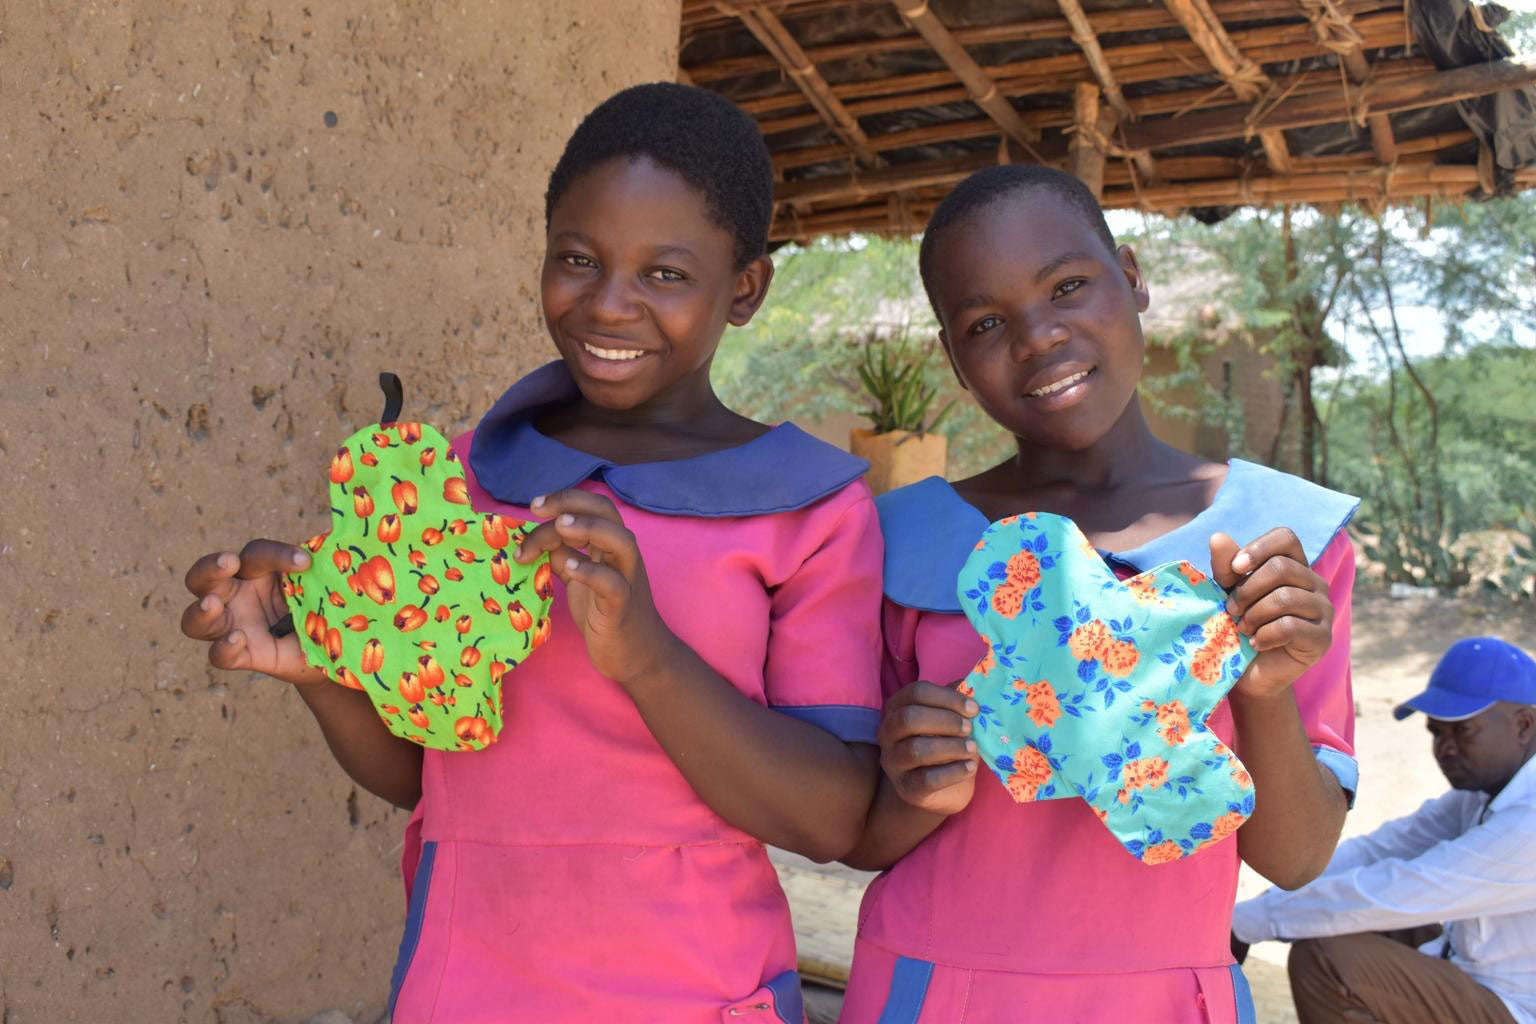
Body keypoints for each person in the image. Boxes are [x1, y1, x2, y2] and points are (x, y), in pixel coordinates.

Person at [178, 83, 886, 1023]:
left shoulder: (806, 506)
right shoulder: (460, 479)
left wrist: (648, 659)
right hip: (464, 985)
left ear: (745, 288)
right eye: (578, 259)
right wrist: (329, 674)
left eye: (665, 274)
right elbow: (430, 774)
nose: (609, 305)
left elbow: (829, 816)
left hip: (695, 991)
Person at [836, 164, 1360, 1024]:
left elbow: (1295, 858)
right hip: (934, 989)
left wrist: (1262, 690)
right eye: (986, 321)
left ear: (1133, 274)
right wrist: (906, 786)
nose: (1038, 337)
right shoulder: (900, 546)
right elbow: (858, 837)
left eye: (1069, 286)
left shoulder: (1281, 545)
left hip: (1169, 995)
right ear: (953, 357)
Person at [1233, 636, 1536, 1024]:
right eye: (1437, 733)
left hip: (1517, 1007)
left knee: (1327, 956)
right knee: (1359, 922)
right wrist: (1265, 903)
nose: (1445, 748)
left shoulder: (1527, 820)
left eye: (1462, 731)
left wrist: (1248, 924)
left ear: (1524, 725)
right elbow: (1381, 850)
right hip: (1480, 977)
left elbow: (1403, 889)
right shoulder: (1484, 791)